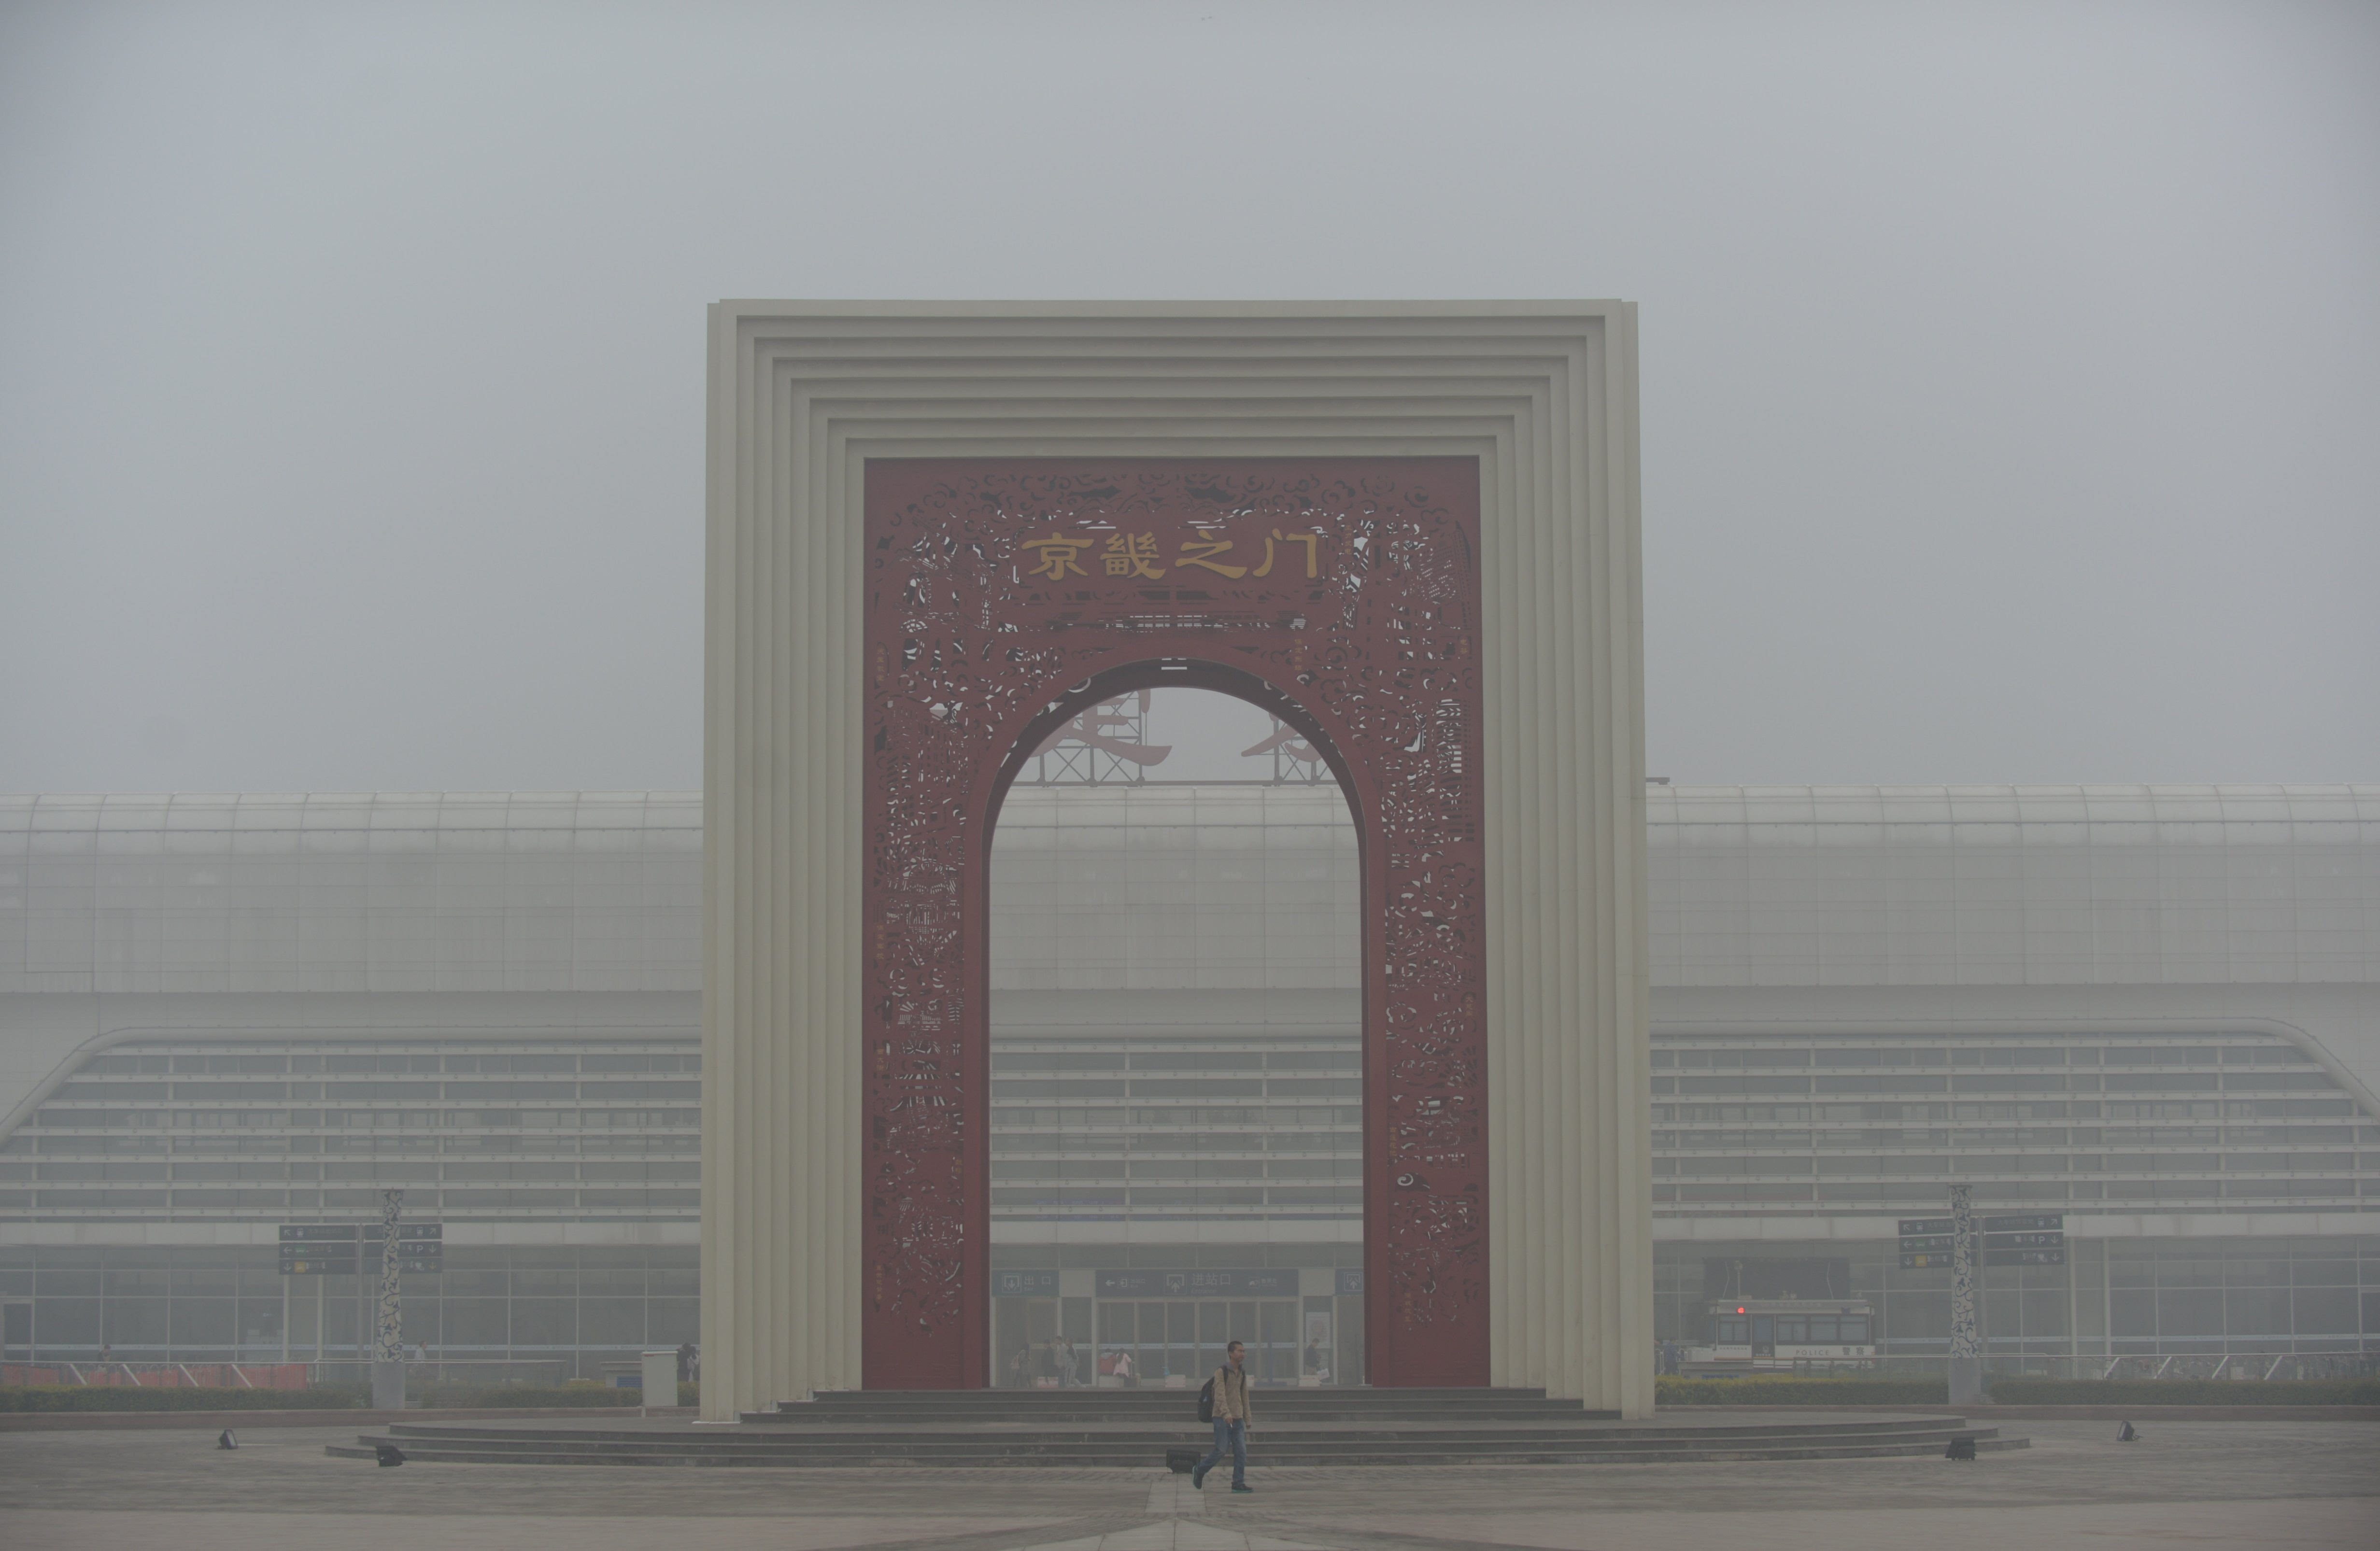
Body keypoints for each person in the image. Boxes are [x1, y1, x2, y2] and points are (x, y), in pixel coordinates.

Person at [1191, 1339, 1254, 1493]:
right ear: (1231, 1353)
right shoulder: (1222, 1372)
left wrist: (1248, 1417)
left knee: (1241, 1451)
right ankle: (1200, 1470)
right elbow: (1219, 1395)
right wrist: (1226, 1413)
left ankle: (1238, 1483)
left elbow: (1244, 1395)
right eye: (1239, 1351)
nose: (1243, 1354)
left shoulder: (1243, 1373)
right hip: (1221, 1418)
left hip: (1238, 1418)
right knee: (1221, 1450)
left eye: (1244, 1351)